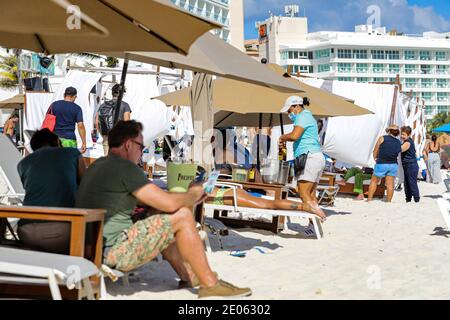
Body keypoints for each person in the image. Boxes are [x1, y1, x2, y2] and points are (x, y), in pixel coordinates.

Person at [75, 121, 251, 299]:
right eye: (140, 146)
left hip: (90, 248)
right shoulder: (125, 168)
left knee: (165, 218)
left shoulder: (98, 166)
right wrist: (193, 194)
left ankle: (188, 277)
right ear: (128, 144)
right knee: (181, 216)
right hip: (113, 252)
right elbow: (169, 203)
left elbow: (149, 203)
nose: (142, 151)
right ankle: (210, 284)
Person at [16, 129, 87, 254]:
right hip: (65, 230)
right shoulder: (72, 154)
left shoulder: (23, 164)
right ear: (57, 142)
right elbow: (86, 185)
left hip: (27, 231)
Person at [279, 96, 326, 220]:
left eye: (289, 111)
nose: (289, 114)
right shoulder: (307, 116)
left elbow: (294, 136)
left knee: (303, 192)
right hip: (316, 156)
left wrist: (282, 137)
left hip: (309, 156)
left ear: (296, 106)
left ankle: (320, 217)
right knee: (310, 194)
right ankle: (313, 223)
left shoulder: (302, 116)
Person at [367, 125, 402, 202]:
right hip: (393, 165)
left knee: (374, 181)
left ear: (389, 131)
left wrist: (375, 158)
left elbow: (375, 150)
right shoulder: (398, 142)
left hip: (382, 163)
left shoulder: (382, 138)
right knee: (390, 184)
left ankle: (369, 199)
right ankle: (389, 201)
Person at [95, 84, 132, 155]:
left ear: (112, 93)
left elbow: (96, 122)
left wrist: (103, 135)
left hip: (107, 137)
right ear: (122, 93)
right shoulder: (125, 105)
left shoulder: (103, 105)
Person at [52, 86, 86, 153]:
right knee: (69, 161)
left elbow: (48, 120)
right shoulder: (77, 108)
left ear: (64, 95)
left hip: (55, 139)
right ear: (74, 97)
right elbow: (80, 126)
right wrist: (84, 142)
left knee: (55, 161)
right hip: (69, 139)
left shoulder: (54, 105)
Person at [400, 126, 420, 203]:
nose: (402, 136)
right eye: (401, 134)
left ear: (409, 134)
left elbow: (400, 149)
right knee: (407, 183)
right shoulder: (406, 141)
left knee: (411, 182)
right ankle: (408, 199)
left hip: (411, 165)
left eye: (404, 134)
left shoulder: (408, 142)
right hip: (408, 165)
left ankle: (416, 199)